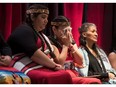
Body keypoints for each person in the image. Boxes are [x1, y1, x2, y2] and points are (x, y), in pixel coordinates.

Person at [7, 4, 73, 84]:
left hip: (39, 63)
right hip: (22, 63)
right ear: (32, 17)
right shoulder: (23, 30)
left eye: (47, 18)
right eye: (43, 17)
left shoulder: (41, 35)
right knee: (51, 77)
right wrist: (54, 65)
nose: (46, 21)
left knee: (64, 74)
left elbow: (57, 60)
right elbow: (34, 53)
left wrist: (55, 64)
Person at [49, 16, 101, 84]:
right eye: (65, 30)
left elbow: (80, 61)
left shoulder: (71, 41)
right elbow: (59, 63)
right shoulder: (51, 42)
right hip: (62, 76)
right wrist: (65, 46)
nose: (68, 33)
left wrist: (72, 47)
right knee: (94, 82)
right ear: (54, 29)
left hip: (74, 74)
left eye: (69, 30)